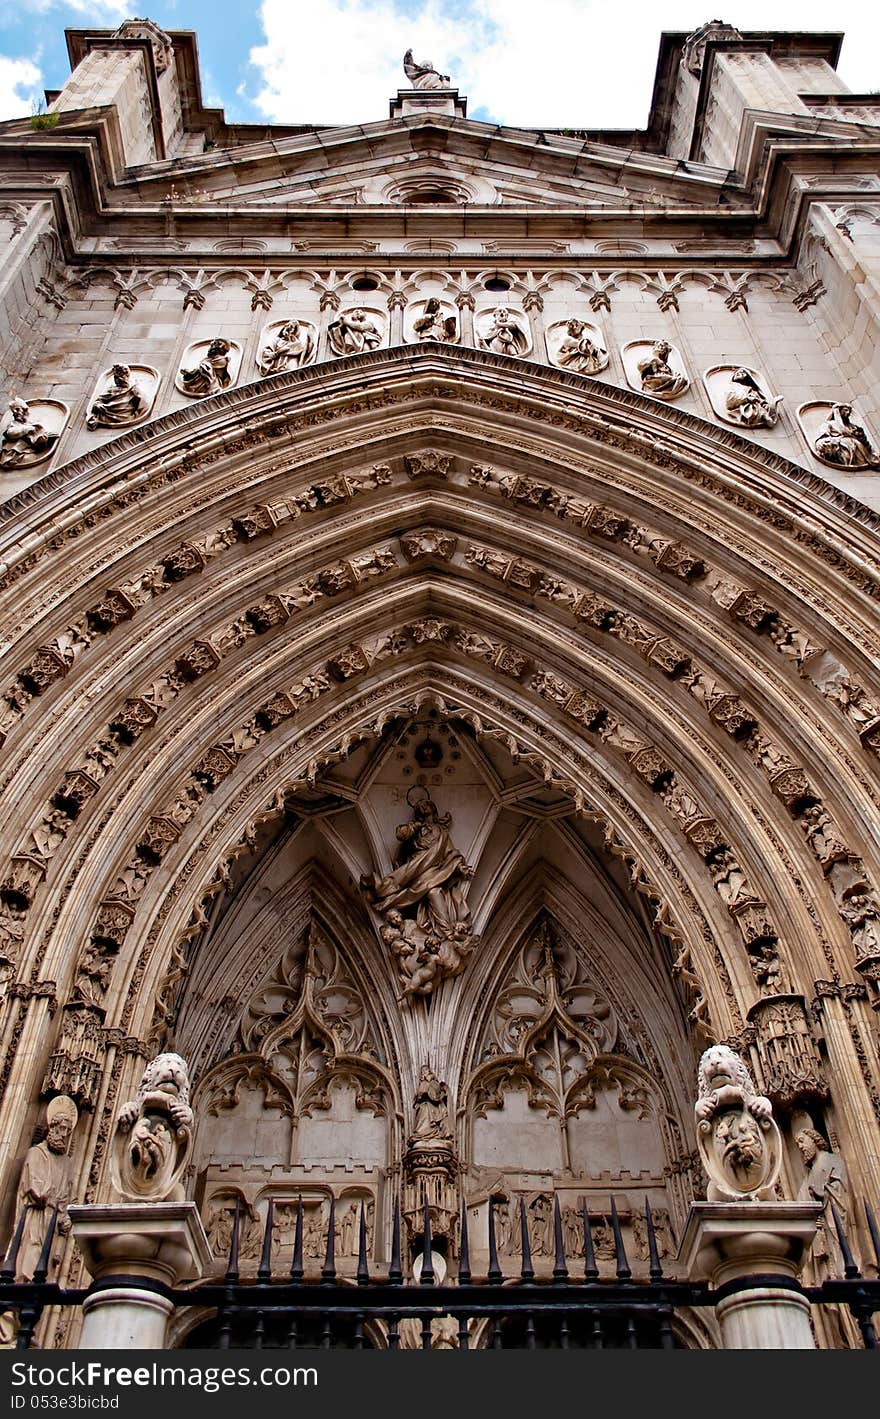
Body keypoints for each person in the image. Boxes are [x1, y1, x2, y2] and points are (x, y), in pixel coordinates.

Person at [13, 1095, 78, 1280]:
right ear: (53, 1128)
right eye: (62, 1129)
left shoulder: (66, 1163)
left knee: (44, 1271)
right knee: (28, 1259)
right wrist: (51, 1199)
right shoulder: (36, 1153)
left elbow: (69, 1197)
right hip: (36, 1216)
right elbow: (34, 1188)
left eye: (68, 1131)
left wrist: (66, 1216)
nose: (64, 1134)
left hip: (53, 1222)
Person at [813, 402, 879, 468]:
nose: (848, 413)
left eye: (849, 411)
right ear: (839, 411)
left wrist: (860, 436)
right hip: (841, 446)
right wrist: (836, 440)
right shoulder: (829, 424)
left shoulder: (853, 427)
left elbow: (865, 443)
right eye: (845, 410)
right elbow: (822, 438)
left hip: (857, 447)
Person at [0, 396, 59, 467]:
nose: (16, 412)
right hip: (13, 452)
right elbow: (10, 433)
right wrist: (26, 429)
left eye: (18, 409)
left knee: (30, 458)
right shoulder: (14, 424)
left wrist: (44, 438)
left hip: (28, 451)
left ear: (25, 410)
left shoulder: (34, 423)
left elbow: (40, 437)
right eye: (14, 411)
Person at [86, 364, 148, 428]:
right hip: (106, 411)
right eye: (116, 377)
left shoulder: (134, 388)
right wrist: (98, 405)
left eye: (120, 376)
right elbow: (99, 400)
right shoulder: (111, 389)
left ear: (126, 376)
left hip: (125, 415)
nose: (117, 379)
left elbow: (143, 403)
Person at [410, 1065, 452, 1142]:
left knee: (426, 1109)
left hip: (433, 1106)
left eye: (426, 1070)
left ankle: (433, 1132)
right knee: (423, 1109)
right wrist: (419, 1096)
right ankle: (422, 1133)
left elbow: (436, 1095)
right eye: (422, 1071)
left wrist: (428, 1093)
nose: (424, 1072)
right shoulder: (423, 1083)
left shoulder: (433, 1082)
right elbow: (418, 1095)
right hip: (424, 1104)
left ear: (429, 1071)